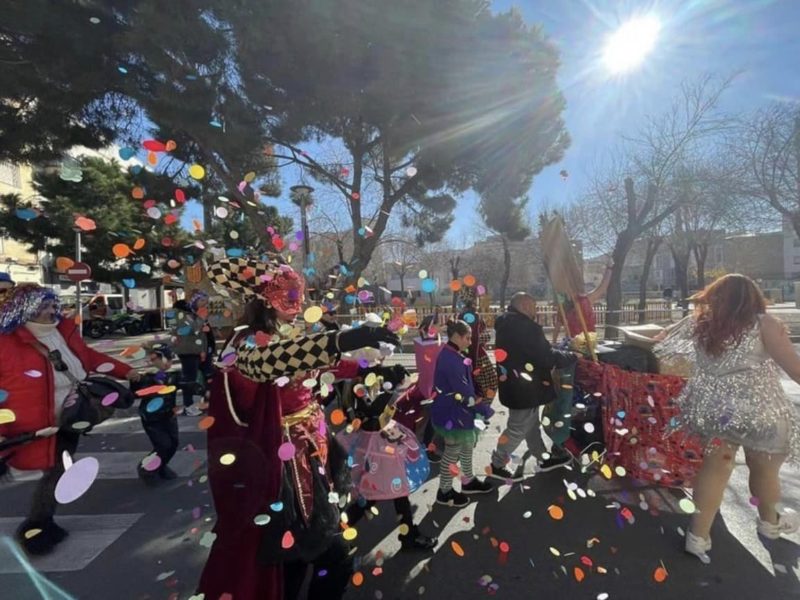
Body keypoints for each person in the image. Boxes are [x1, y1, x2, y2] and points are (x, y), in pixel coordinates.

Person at [197, 257, 401, 600]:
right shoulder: (245, 343)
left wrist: (369, 371)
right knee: (312, 556)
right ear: (265, 299)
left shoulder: (288, 336)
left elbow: (317, 364)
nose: (299, 303)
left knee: (297, 560)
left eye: (299, 295)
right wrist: (340, 340)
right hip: (283, 470)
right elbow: (270, 361)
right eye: (289, 295)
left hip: (313, 453)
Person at [665, 274, 800, 564]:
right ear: (754, 297)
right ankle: (770, 522)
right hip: (759, 411)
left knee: (715, 468)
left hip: (714, 412)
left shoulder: (700, 324)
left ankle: (697, 537)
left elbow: (659, 342)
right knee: (764, 471)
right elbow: (794, 369)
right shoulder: (765, 324)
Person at [0, 284, 139, 555]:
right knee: (52, 470)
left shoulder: (62, 332)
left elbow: (89, 358)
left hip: (69, 417)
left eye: (53, 305)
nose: (53, 311)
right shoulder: (6, 343)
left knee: (58, 469)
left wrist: (128, 372)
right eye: (45, 307)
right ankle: (37, 528)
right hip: (30, 426)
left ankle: (40, 525)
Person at [338, 364, 437, 551]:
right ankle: (338, 533)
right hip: (378, 449)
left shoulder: (363, 385)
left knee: (385, 494)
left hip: (379, 446)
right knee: (375, 495)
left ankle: (407, 536)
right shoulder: (361, 389)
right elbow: (373, 412)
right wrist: (391, 386)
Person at [489, 293, 577, 482]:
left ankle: (543, 458)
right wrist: (571, 356)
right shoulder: (525, 327)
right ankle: (497, 464)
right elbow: (544, 356)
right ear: (524, 305)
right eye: (533, 306)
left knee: (531, 425)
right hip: (525, 388)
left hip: (515, 384)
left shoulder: (506, 323)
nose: (535, 310)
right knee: (518, 428)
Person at [431, 319, 494, 508]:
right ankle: (444, 491)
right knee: (452, 452)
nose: (469, 342)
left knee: (466, 447)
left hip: (458, 410)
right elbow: (464, 392)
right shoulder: (452, 359)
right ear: (456, 336)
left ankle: (468, 481)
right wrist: (483, 409)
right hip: (453, 412)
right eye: (467, 338)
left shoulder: (452, 354)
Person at [130, 343, 181, 483]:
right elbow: (134, 394)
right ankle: (146, 468)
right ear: (154, 359)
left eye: (170, 360)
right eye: (165, 359)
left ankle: (161, 465)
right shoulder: (146, 377)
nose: (168, 363)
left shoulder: (173, 375)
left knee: (173, 443)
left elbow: (187, 385)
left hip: (169, 415)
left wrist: (204, 390)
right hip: (152, 418)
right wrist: (134, 382)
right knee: (163, 445)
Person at [171, 292, 214, 416]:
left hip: (200, 351)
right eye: (202, 301)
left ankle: (207, 402)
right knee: (189, 379)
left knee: (208, 376)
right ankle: (188, 406)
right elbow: (191, 329)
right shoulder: (183, 315)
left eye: (206, 301)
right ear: (194, 302)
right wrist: (201, 319)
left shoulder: (194, 314)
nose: (205, 304)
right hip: (188, 351)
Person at [551, 262, 613, 343]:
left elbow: (602, 288)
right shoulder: (563, 306)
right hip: (573, 344)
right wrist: (554, 343)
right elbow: (558, 326)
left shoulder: (585, 300)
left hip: (587, 344)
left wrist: (609, 268)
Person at [458, 285, 497, 400]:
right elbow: (477, 337)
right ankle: (481, 406)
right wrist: (487, 336)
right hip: (478, 356)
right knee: (490, 382)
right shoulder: (473, 316)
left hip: (466, 354)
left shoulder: (461, 314)